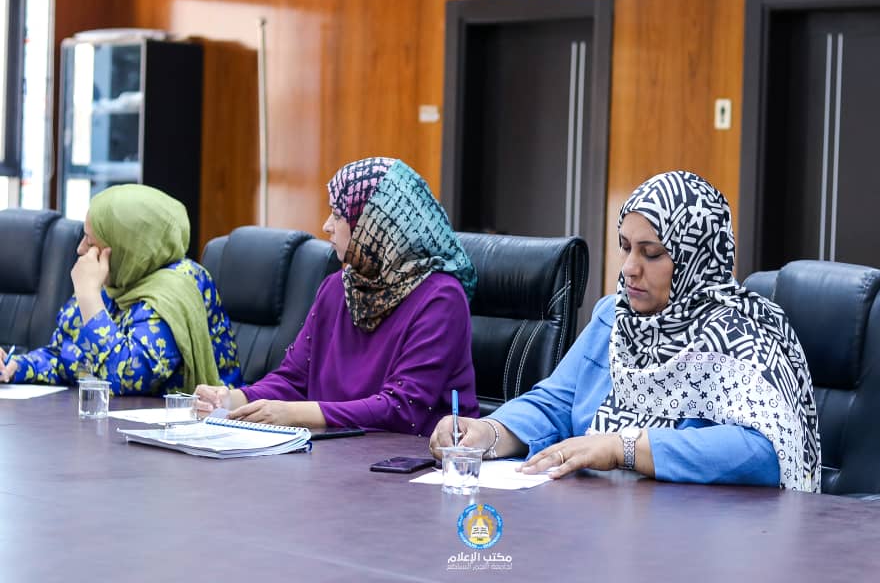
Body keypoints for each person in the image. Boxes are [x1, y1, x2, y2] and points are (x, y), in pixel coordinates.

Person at [430, 170, 821, 491]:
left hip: (696, 533)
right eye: (625, 247)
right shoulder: (615, 317)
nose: (630, 268)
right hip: (599, 516)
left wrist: (624, 448)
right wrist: (489, 433)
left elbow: (763, 451)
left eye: (651, 253)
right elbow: (556, 403)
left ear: (696, 258)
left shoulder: (740, 334)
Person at [194, 157, 480, 434]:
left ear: (374, 226)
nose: (327, 225)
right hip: (336, 452)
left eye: (338, 214)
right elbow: (294, 379)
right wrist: (231, 400)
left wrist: (294, 414)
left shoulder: (441, 298)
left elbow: (402, 408)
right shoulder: (338, 287)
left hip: (415, 459)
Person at [0, 185, 241, 395]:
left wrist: (89, 297)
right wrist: (15, 367)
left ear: (126, 245)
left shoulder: (179, 287)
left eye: (90, 241)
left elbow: (127, 377)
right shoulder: (117, 279)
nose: (80, 249)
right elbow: (63, 357)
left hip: (187, 427)